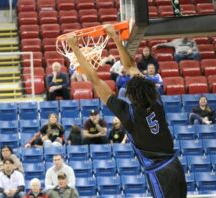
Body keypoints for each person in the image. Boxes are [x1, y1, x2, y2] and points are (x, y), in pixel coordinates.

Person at [66, 24, 187, 198]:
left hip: (160, 172)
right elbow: (130, 67)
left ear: (130, 95)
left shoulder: (127, 114)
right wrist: (115, 38)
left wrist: (75, 48)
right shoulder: (156, 99)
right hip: (175, 165)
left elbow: (95, 80)